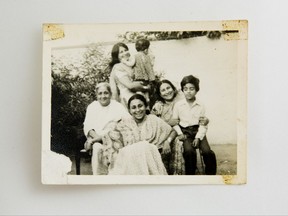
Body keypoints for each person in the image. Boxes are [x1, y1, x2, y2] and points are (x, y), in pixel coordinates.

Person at [102, 94, 177, 175]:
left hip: (151, 159)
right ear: (129, 111)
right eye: (133, 107)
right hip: (131, 161)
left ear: (146, 107)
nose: (137, 110)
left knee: (144, 146)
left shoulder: (154, 120)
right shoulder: (124, 123)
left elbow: (173, 131)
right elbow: (115, 140)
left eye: (140, 106)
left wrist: (167, 141)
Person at [172, 75, 217, 175]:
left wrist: (198, 137)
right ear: (182, 90)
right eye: (185, 89)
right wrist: (180, 133)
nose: (188, 91)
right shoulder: (178, 105)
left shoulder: (200, 105)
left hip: (198, 131)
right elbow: (174, 123)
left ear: (197, 90)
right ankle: (190, 175)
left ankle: (211, 175)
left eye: (191, 89)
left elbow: (203, 124)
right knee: (189, 152)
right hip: (185, 132)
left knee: (207, 152)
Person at [83, 82, 130, 175]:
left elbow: (128, 122)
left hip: (113, 140)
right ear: (96, 95)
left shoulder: (117, 106)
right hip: (96, 140)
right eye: (100, 93)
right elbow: (87, 125)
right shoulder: (92, 106)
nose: (103, 96)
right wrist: (97, 138)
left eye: (106, 93)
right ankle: (99, 178)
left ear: (110, 94)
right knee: (97, 147)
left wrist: (102, 138)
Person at [109, 42, 148, 108]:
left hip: (139, 96)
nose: (125, 53)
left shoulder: (130, 64)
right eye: (121, 52)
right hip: (128, 97)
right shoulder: (118, 67)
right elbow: (130, 85)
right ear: (116, 56)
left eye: (126, 50)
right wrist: (145, 87)